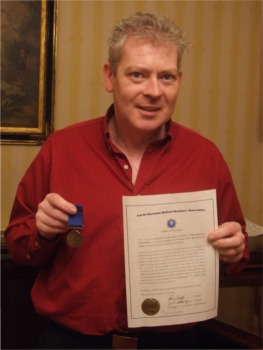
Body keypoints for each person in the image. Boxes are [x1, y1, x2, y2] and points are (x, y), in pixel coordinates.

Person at [5, 12, 249, 349]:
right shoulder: (62, 149)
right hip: (72, 341)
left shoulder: (206, 157)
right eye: (137, 74)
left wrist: (234, 250)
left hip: (175, 343)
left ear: (179, 80)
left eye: (166, 77)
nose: (153, 91)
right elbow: (19, 246)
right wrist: (42, 231)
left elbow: (237, 251)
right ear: (110, 76)